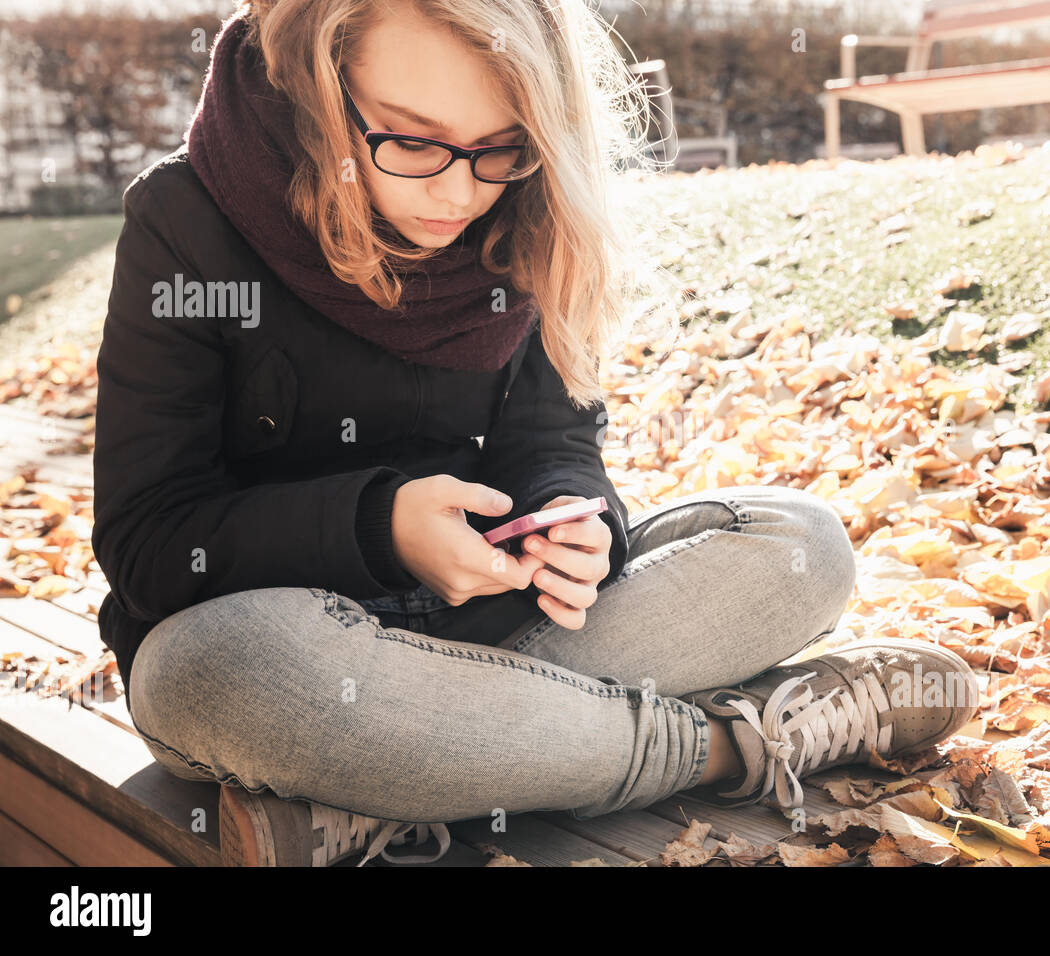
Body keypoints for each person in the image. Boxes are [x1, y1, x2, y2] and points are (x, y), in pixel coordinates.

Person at [92, 0, 979, 867]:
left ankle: (392, 789)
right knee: (221, 671)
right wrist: (380, 527)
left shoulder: (528, 206)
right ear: (320, 83)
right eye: (410, 140)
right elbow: (148, 540)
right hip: (286, 651)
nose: (458, 191)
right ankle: (735, 744)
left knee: (803, 543)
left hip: (494, 628)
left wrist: (576, 516)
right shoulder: (183, 219)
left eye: (499, 148)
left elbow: (554, 436)